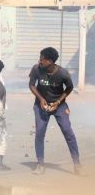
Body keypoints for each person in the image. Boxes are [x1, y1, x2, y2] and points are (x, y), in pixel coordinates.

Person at [29, 47, 81, 175]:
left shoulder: (63, 73)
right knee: (39, 134)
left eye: (42, 60)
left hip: (60, 106)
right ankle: (40, 164)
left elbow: (69, 88)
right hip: (41, 105)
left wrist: (58, 102)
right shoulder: (36, 69)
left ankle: (77, 163)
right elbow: (31, 84)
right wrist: (40, 99)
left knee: (68, 132)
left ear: (50, 61)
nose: (39, 61)